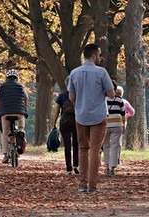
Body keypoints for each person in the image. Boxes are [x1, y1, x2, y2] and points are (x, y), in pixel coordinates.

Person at [68, 43, 115, 193]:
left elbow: (71, 97)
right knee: (95, 150)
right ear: (94, 56)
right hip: (98, 116)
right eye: (100, 55)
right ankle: (92, 186)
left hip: (80, 115)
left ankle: (82, 184)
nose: (101, 58)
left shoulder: (74, 73)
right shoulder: (102, 73)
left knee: (83, 148)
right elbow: (111, 95)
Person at [0, 69, 28, 163]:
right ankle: (19, 144)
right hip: (19, 112)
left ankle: (5, 155)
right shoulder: (21, 86)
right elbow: (26, 98)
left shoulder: (2, 87)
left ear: (7, 78)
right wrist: (24, 109)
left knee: (5, 133)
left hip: (5, 112)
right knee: (21, 128)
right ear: (16, 78)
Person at [53, 76, 79, 175]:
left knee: (67, 145)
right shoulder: (78, 95)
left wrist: (54, 124)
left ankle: (69, 168)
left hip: (65, 122)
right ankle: (76, 165)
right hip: (76, 121)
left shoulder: (61, 96)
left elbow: (56, 112)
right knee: (76, 144)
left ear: (65, 84)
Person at [103, 82, 126, 176]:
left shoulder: (103, 99)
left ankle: (107, 166)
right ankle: (113, 167)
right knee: (115, 145)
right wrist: (123, 125)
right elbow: (123, 114)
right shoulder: (120, 100)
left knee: (106, 145)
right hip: (117, 124)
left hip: (105, 124)